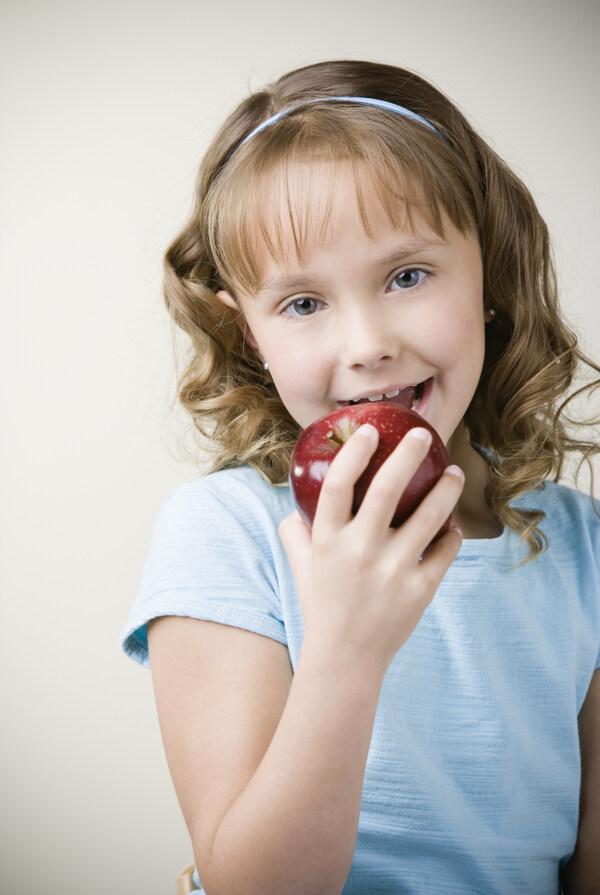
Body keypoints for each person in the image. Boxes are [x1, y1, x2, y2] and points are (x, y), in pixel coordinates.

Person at [121, 60, 600, 894]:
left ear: (489, 271)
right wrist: (347, 647)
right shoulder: (225, 532)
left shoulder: (584, 551)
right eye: (303, 303)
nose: (368, 341)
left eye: (407, 276)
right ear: (249, 336)